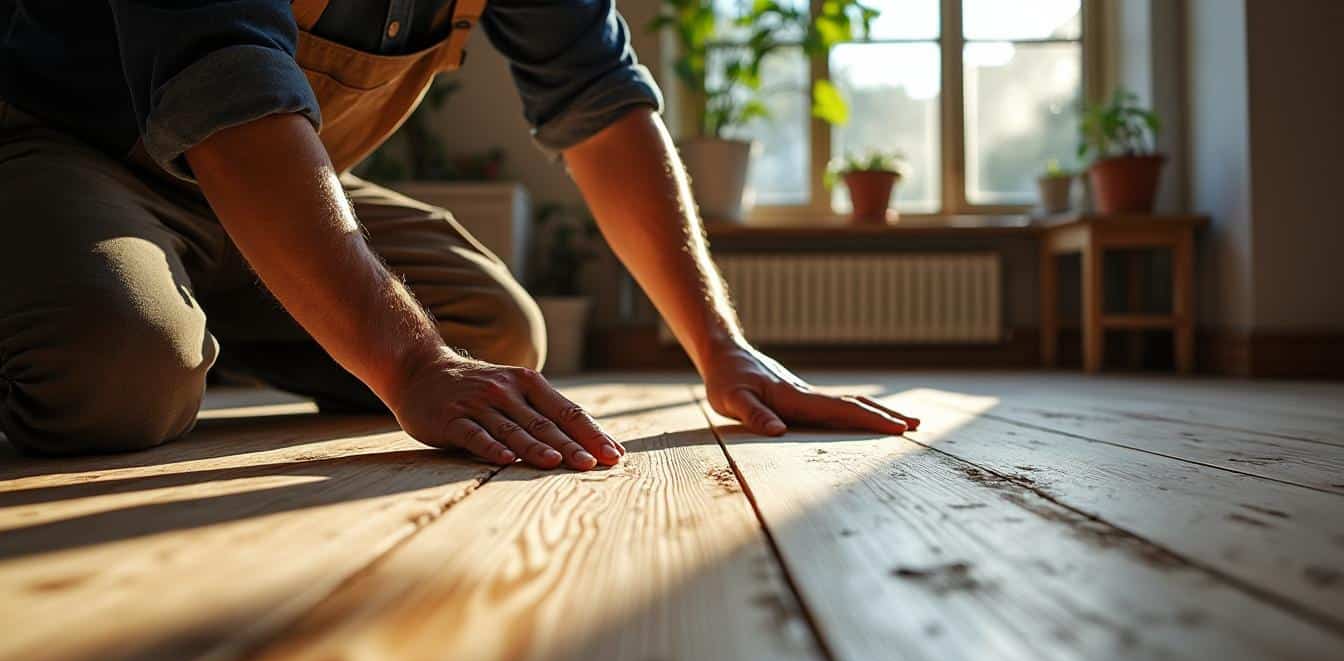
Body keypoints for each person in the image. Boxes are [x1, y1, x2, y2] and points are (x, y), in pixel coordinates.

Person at [0, 0, 918, 469]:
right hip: (61, 150)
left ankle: (228, 297)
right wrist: (405, 366)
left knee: (495, 338)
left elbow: (600, 100)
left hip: (257, 183)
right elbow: (224, 90)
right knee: (120, 369)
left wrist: (725, 351)